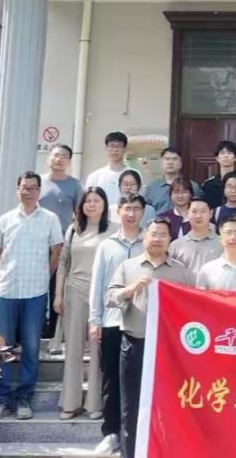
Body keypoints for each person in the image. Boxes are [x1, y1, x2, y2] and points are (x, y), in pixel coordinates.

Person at [106, 217, 195, 458]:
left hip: (169, 350)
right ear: (144, 237)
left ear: (170, 239)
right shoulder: (128, 267)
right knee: (131, 407)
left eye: (163, 235)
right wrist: (130, 289)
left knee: (169, 407)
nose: (157, 239)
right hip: (135, 344)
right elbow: (110, 297)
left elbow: (193, 306)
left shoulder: (181, 271)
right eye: (153, 234)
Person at [0, 172, 64, 423]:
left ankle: (24, 399)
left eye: (33, 188)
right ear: (17, 190)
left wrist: (45, 275)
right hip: (6, 291)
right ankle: (2, 399)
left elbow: (56, 251)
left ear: (40, 191)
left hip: (35, 292)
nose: (28, 191)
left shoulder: (50, 219)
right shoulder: (5, 219)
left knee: (31, 347)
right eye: (24, 187)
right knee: (3, 347)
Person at [87, 194, 145, 455]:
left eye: (136, 209)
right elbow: (97, 284)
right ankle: (111, 433)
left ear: (143, 212)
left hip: (141, 323)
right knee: (111, 380)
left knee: (139, 381)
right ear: (118, 211)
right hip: (112, 322)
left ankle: (136, 434)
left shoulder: (150, 242)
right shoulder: (107, 245)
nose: (131, 214)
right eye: (127, 209)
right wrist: (95, 319)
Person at [54, 187, 112, 420]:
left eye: (97, 200)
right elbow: (63, 263)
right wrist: (58, 295)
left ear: (104, 204)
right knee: (73, 349)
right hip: (74, 291)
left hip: (102, 295)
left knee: (97, 350)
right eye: (88, 201)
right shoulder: (73, 230)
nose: (92, 204)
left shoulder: (113, 231)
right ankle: (70, 403)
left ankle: (94, 404)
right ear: (81, 205)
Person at [39, 144, 81, 349]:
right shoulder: (39, 182)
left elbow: (79, 215)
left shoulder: (74, 185)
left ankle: (54, 332)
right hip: (37, 244)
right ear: (49, 157)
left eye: (64, 156)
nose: (59, 159)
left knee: (57, 287)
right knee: (36, 286)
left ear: (69, 161)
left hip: (63, 245)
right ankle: (37, 326)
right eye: (56, 155)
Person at [168, 198, 224, 274]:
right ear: (188, 214)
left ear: (210, 214)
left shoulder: (223, 243)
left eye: (203, 211)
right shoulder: (176, 245)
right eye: (194, 211)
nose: (198, 216)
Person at [85, 131, 130, 216]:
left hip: (127, 219)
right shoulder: (95, 176)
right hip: (101, 220)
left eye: (119, 146)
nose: (115, 150)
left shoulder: (133, 174)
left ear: (125, 149)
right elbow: (88, 201)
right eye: (112, 146)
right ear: (106, 148)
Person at [145, 147, 200, 216]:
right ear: (161, 163)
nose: (170, 162)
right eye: (167, 159)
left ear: (180, 164)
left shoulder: (193, 186)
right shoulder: (152, 188)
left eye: (174, 159)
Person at [200, 140, 236, 208]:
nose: (226, 156)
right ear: (217, 158)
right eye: (222, 153)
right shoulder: (208, 184)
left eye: (229, 153)